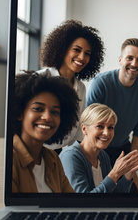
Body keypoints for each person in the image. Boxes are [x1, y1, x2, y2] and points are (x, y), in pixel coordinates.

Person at [38, 19, 105, 152]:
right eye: (77, 50)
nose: (82, 57)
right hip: (36, 149)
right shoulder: (40, 79)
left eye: (87, 54)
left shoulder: (80, 88)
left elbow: (78, 127)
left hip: (60, 152)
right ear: (63, 50)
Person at [86, 38, 138, 165]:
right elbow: (88, 125)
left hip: (122, 149)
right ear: (120, 60)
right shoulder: (100, 83)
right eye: (129, 58)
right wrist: (92, 161)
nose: (134, 63)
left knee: (132, 185)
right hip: (96, 147)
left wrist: (132, 166)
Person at [59, 103, 138, 193]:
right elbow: (84, 203)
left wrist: (128, 173)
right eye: (100, 126)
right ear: (84, 129)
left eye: (110, 127)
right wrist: (115, 173)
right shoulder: (70, 157)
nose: (106, 133)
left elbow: (112, 195)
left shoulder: (102, 156)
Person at [11, 71, 79, 193]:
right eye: (38, 109)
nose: (47, 117)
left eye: (55, 112)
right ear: (20, 113)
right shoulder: (10, 158)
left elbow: (71, 203)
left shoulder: (53, 159)